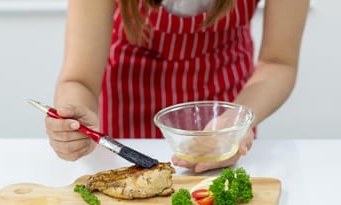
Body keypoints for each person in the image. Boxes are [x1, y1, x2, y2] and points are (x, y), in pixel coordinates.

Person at [46, 0, 309, 172]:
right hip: (127, 107)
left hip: (226, 106)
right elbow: (78, 80)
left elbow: (278, 62)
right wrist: (72, 118)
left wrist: (236, 119)